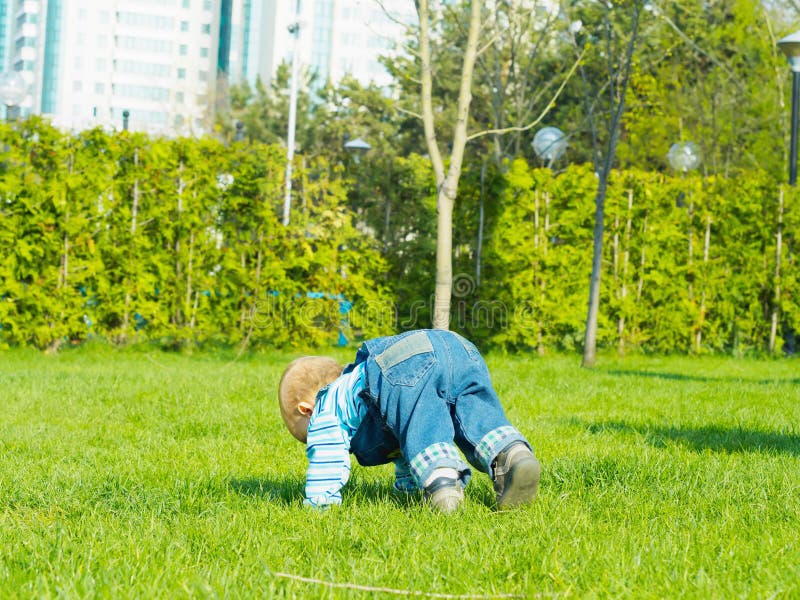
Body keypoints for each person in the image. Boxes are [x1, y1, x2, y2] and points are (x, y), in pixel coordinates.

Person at [278, 329, 540, 513]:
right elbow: (402, 443)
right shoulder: (361, 395)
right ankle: (511, 453)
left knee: (422, 420)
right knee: (473, 413)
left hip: (404, 362)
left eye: (304, 435)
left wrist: (319, 505)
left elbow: (327, 458)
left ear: (306, 410)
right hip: (459, 347)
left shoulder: (326, 408)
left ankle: (443, 482)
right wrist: (407, 490)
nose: (309, 439)